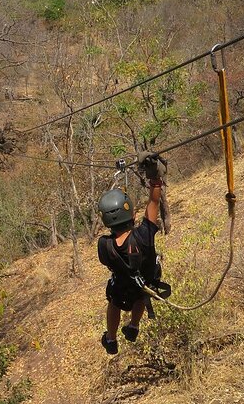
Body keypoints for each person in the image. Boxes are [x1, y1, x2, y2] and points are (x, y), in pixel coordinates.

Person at [97, 152, 166, 355]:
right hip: (144, 284)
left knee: (114, 301)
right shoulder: (144, 235)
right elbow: (153, 203)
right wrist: (155, 179)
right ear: (131, 214)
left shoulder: (104, 245)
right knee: (141, 294)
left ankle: (111, 338)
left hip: (122, 286)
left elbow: (108, 262)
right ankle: (134, 326)